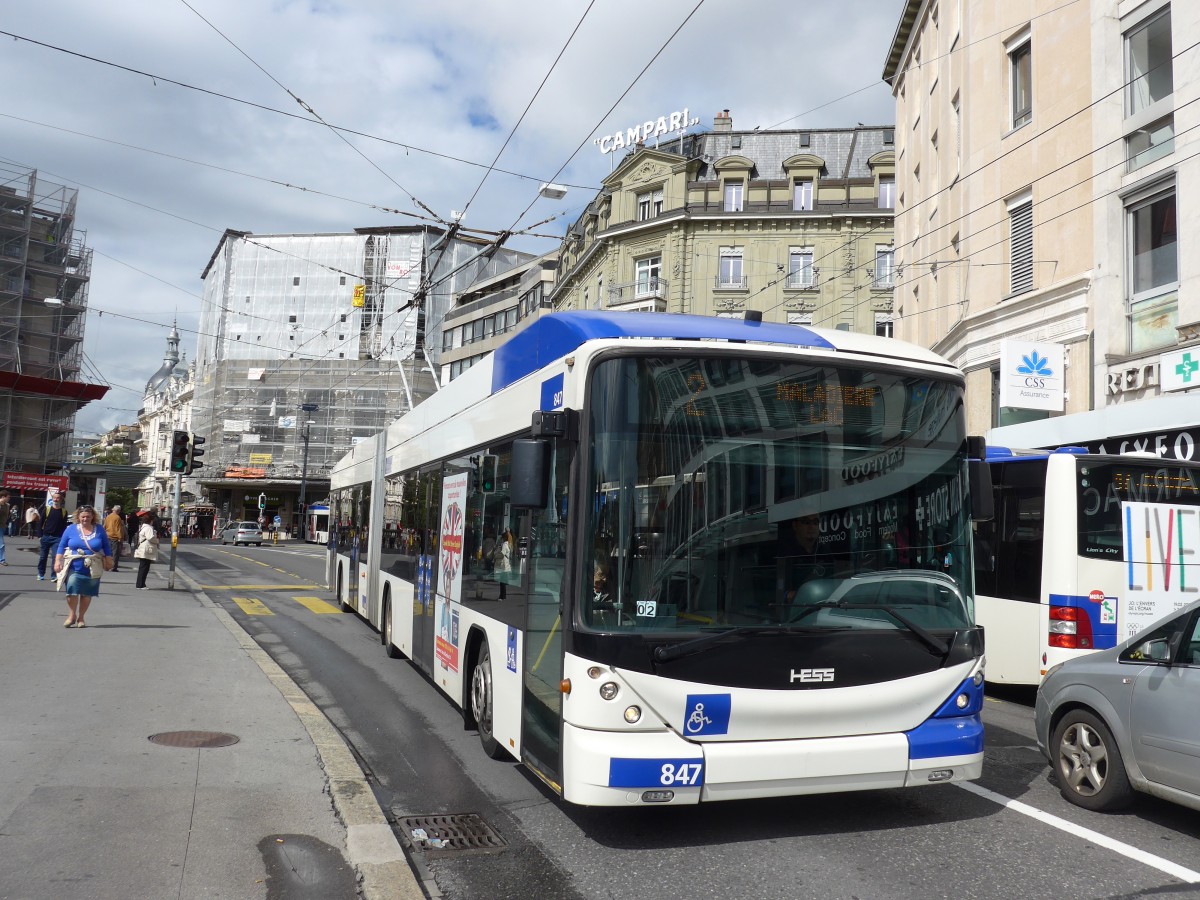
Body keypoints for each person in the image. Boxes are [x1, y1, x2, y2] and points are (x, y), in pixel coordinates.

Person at [53, 505, 113, 628]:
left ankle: (81, 617)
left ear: (93, 517)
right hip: (74, 565)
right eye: (83, 517)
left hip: (93, 566)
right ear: (78, 517)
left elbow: (106, 546)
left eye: (88, 517)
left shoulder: (99, 529)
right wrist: (57, 561)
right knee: (71, 591)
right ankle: (71, 615)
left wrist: (109, 559)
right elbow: (61, 545)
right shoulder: (70, 529)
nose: (85, 519)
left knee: (87, 593)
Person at [36, 493, 69, 581]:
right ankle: (40, 573)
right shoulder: (46, 509)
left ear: (61, 500)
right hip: (46, 536)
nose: (55, 499)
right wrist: (40, 535)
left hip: (57, 538)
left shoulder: (64, 512)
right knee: (43, 557)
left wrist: (64, 538)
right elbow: (40, 523)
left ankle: (54, 575)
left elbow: (64, 526)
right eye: (54, 498)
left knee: (56, 557)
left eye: (58, 498)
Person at [133, 510, 161, 590]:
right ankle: (141, 585)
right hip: (146, 549)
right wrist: (157, 541)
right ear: (150, 521)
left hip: (143, 548)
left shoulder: (143, 527)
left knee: (143, 567)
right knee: (144, 567)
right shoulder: (148, 528)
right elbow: (150, 537)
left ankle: (140, 584)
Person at [103, 504, 128, 572]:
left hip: (108, 536)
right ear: (118, 511)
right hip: (115, 537)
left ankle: (107, 565)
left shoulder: (108, 517)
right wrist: (120, 537)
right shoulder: (117, 518)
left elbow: (104, 526)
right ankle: (113, 567)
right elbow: (118, 529)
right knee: (115, 553)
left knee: (108, 552)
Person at [0, 490, 10, 566]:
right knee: (2, 543)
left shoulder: (7, 506)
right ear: (3, 497)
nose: (8, 499)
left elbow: (6, 516)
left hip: (2, 526)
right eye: (8, 497)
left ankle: (2, 560)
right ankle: (2, 560)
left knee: (1, 543)